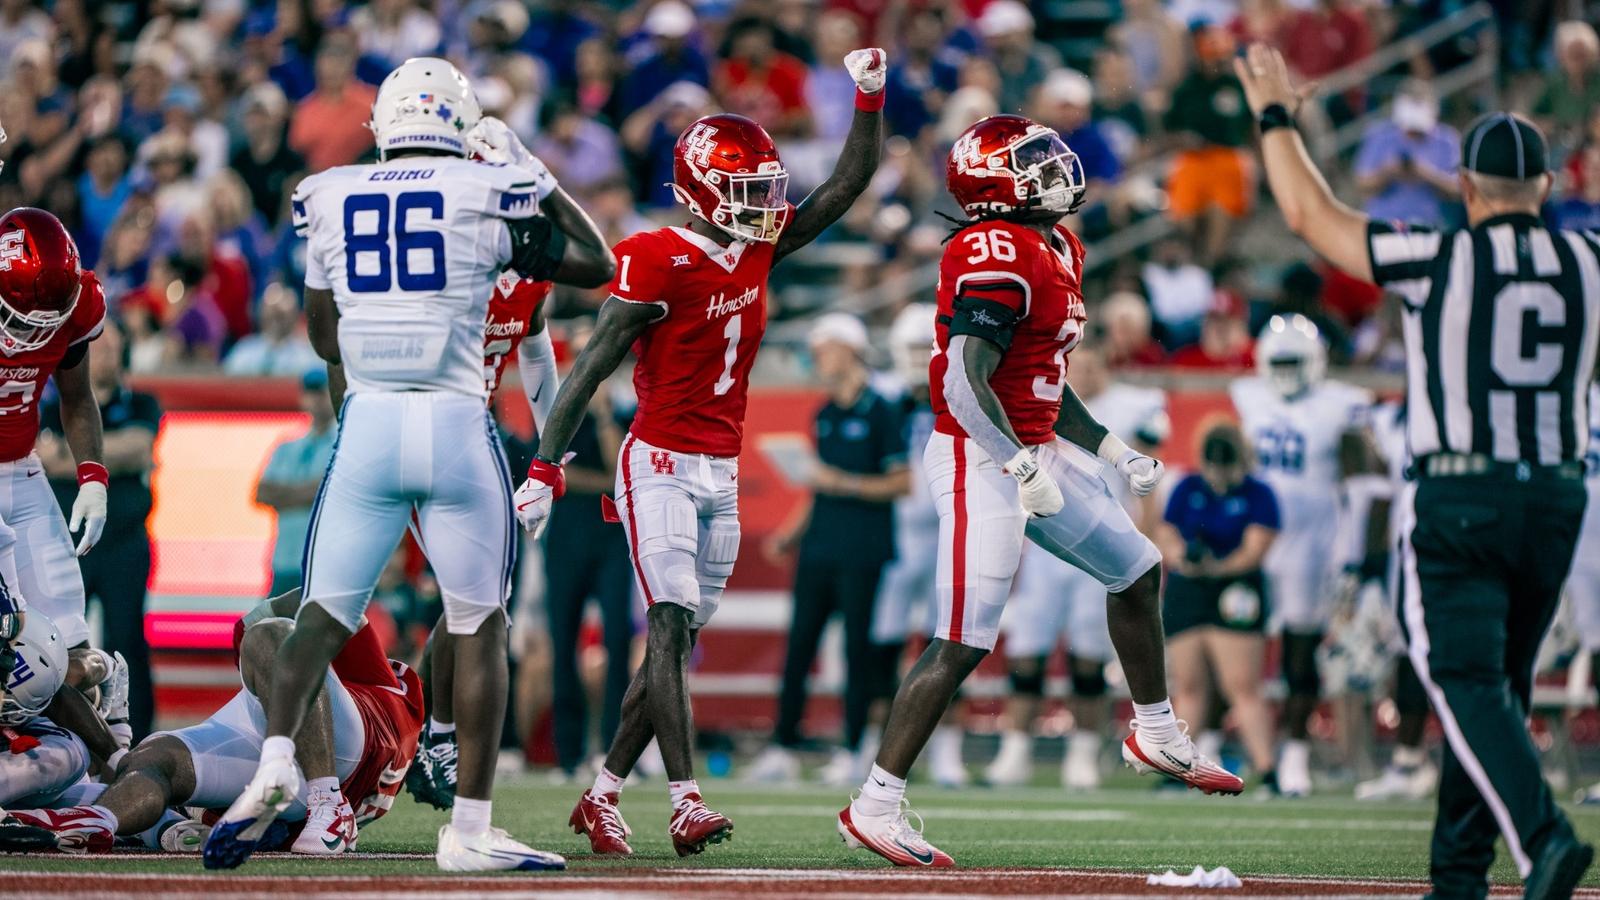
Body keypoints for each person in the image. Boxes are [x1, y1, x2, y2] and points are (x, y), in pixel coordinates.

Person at [208, 57, 609, 873]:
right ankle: (468, 829)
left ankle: (278, 764)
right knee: (481, 626)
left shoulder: (326, 192)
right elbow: (595, 264)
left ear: (382, 123)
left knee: (317, 616)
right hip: (460, 421)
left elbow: (324, 339)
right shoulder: (483, 190)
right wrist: (530, 169)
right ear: (462, 128)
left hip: (371, 422)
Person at [1236, 41, 1600, 897]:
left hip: (1460, 491)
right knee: (1498, 689)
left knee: (1462, 678)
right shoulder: (1589, 264)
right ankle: (1459, 874)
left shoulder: (1437, 256)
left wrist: (1275, 113)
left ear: (1466, 189)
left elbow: (1307, 214)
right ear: (1546, 188)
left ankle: (1543, 835)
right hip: (1555, 494)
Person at [840, 113, 1241, 870]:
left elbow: (1043, 383)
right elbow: (966, 383)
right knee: (964, 638)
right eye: (1033, 161)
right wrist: (1018, 467)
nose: (1056, 170)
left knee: (1139, 569)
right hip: (975, 453)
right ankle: (875, 804)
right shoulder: (992, 250)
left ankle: (1155, 732)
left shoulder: (1059, 245)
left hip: (1034, 446)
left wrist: (1114, 450)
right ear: (996, 185)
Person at [517, 48, 887, 858]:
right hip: (656, 459)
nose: (765, 205)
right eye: (748, 191)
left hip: (719, 467)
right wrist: (545, 466)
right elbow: (592, 364)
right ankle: (684, 801)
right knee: (671, 621)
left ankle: (602, 792)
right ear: (700, 191)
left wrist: (867, 96)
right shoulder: (655, 255)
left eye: (767, 191)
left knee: (670, 651)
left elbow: (846, 186)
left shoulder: (754, 245)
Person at [387, 157, 613, 807]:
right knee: (468, 605)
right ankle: (414, 738)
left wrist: (552, 456)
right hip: (415, 430)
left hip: (466, 440)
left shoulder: (525, 275)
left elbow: (537, 350)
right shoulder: (447, 263)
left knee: (479, 603)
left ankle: (431, 733)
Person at [8, 589, 424, 857]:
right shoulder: (399, 708)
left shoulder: (392, 688)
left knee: (270, 635)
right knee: (156, 755)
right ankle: (99, 822)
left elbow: (325, 595)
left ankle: (326, 804)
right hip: (303, 781)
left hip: (338, 765)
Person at [987, 345, 1167, 790]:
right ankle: (1015, 751)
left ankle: (1083, 753)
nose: (1082, 372)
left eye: (1090, 364)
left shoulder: (1132, 406)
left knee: (1088, 659)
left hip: (1102, 546)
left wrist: (1148, 535)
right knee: (1027, 652)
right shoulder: (1042, 402)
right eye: (1075, 365)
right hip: (1046, 544)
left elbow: (1147, 481)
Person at [748, 313, 909, 785]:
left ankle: (854, 749)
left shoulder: (883, 408)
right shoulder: (825, 412)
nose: (818, 357)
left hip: (863, 551)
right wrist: (790, 533)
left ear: (849, 349)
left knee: (857, 652)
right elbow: (816, 489)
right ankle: (783, 746)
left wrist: (843, 483)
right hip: (819, 548)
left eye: (824, 347)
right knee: (799, 648)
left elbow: (902, 483)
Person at [1229, 313, 1373, 796]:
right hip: (1256, 535)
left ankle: (1293, 754)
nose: (1287, 371)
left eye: (1295, 361)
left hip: (1312, 541)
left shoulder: (1343, 404)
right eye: (1280, 361)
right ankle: (1221, 744)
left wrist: (1350, 554)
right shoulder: (1247, 395)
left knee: (1298, 652)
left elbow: (1361, 479)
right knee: (1232, 641)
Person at [0, 209, 111, 702]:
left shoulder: (80, 303)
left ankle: (100, 765)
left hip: (23, 474)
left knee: (69, 649)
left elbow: (78, 397)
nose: (31, 338)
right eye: (20, 323)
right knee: (15, 654)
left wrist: (92, 476)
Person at [38, 317, 159, 742]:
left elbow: (137, 451)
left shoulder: (142, 403)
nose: (103, 353)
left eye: (111, 347)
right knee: (60, 640)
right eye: (97, 347)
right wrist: (106, 457)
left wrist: (68, 459)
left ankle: (140, 738)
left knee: (128, 639)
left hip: (125, 541)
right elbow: (38, 457)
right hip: (68, 543)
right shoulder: (52, 405)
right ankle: (63, 734)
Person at [866, 303, 968, 790]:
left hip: (949, 531)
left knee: (950, 642)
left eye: (920, 347)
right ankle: (874, 745)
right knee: (881, 644)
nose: (913, 357)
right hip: (894, 534)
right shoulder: (883, 398)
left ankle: (946, 751)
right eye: (907, 348)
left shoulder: (958, 388)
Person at [1154, 422, 1281, 786]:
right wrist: (1183, 559)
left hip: (1234, 590)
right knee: (1189, 685)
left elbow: (1255, 549)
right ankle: (1176, 768)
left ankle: (1267, 768)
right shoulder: (1188, 487)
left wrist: (1215, 567)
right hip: (1189, 590)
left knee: (1241, 686)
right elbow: (1166, 535)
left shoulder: (1257, 493)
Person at [253, 370, 338, 596]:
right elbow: (261, 493)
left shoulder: (346, 441)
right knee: (273, 625)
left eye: (321, 392)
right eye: (311, 393)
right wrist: (310, 492)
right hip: (285, 558)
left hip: (326, 562)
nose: (316, 399)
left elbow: (331, 492)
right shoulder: (288, 445)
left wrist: (285, 495)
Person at [1354, 79, 1461, 229]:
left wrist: (1426, 174)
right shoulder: (1379, 135)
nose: (1412, 133)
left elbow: (1459, 190)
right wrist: (1387, 172)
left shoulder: (1446, 139)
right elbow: (1363, 184)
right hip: (1384, 227)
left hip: (1431, 228)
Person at [223, 287, 323, 377]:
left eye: (281, 316)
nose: (276, 320)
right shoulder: (243, 351)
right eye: (271, 313)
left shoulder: (308, 356)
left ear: (295, 316)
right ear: (260, 314)